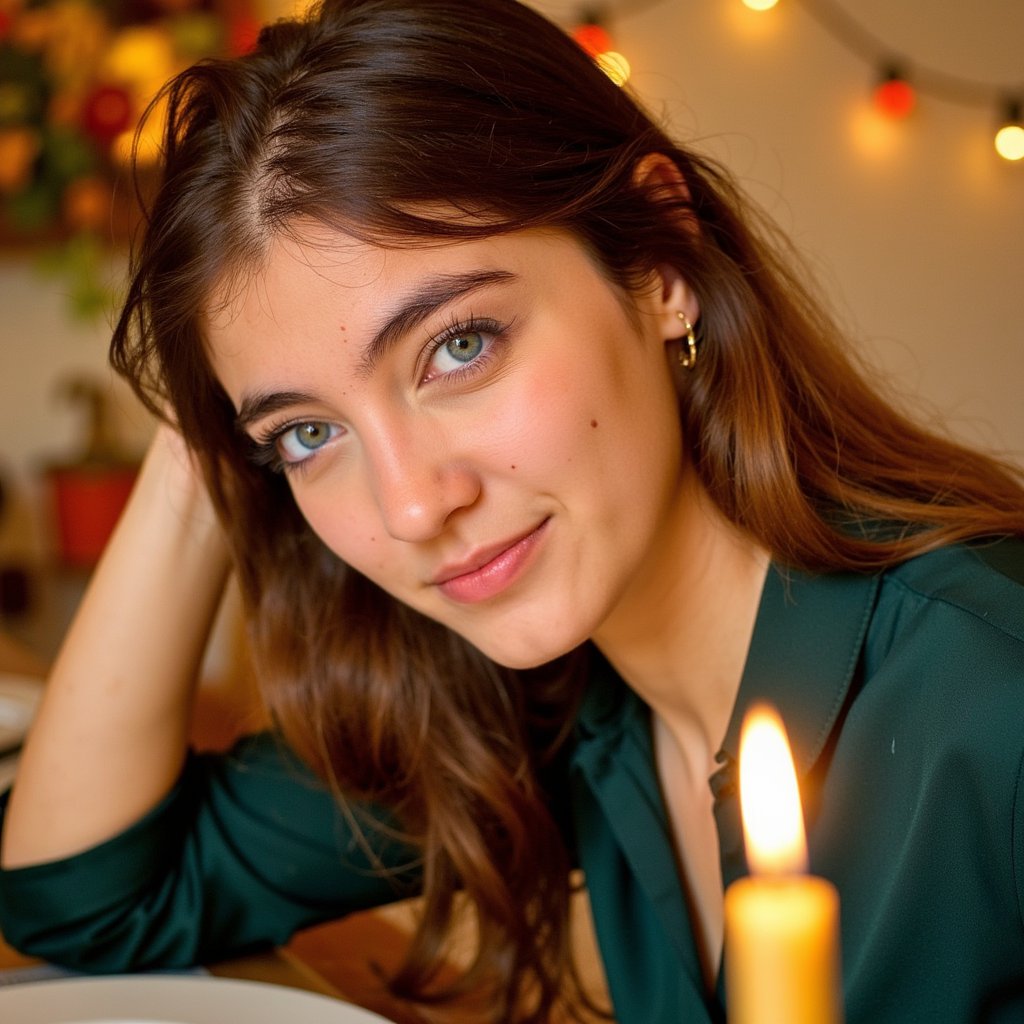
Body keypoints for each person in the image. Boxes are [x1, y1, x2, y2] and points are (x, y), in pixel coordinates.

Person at [2, 0, 1023, 1020]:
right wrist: (203, 439)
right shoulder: (542, 703)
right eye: (308, 434)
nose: (411, 507)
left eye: (459, 346)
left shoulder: (992, 700)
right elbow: (84, 897)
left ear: (661, 258)